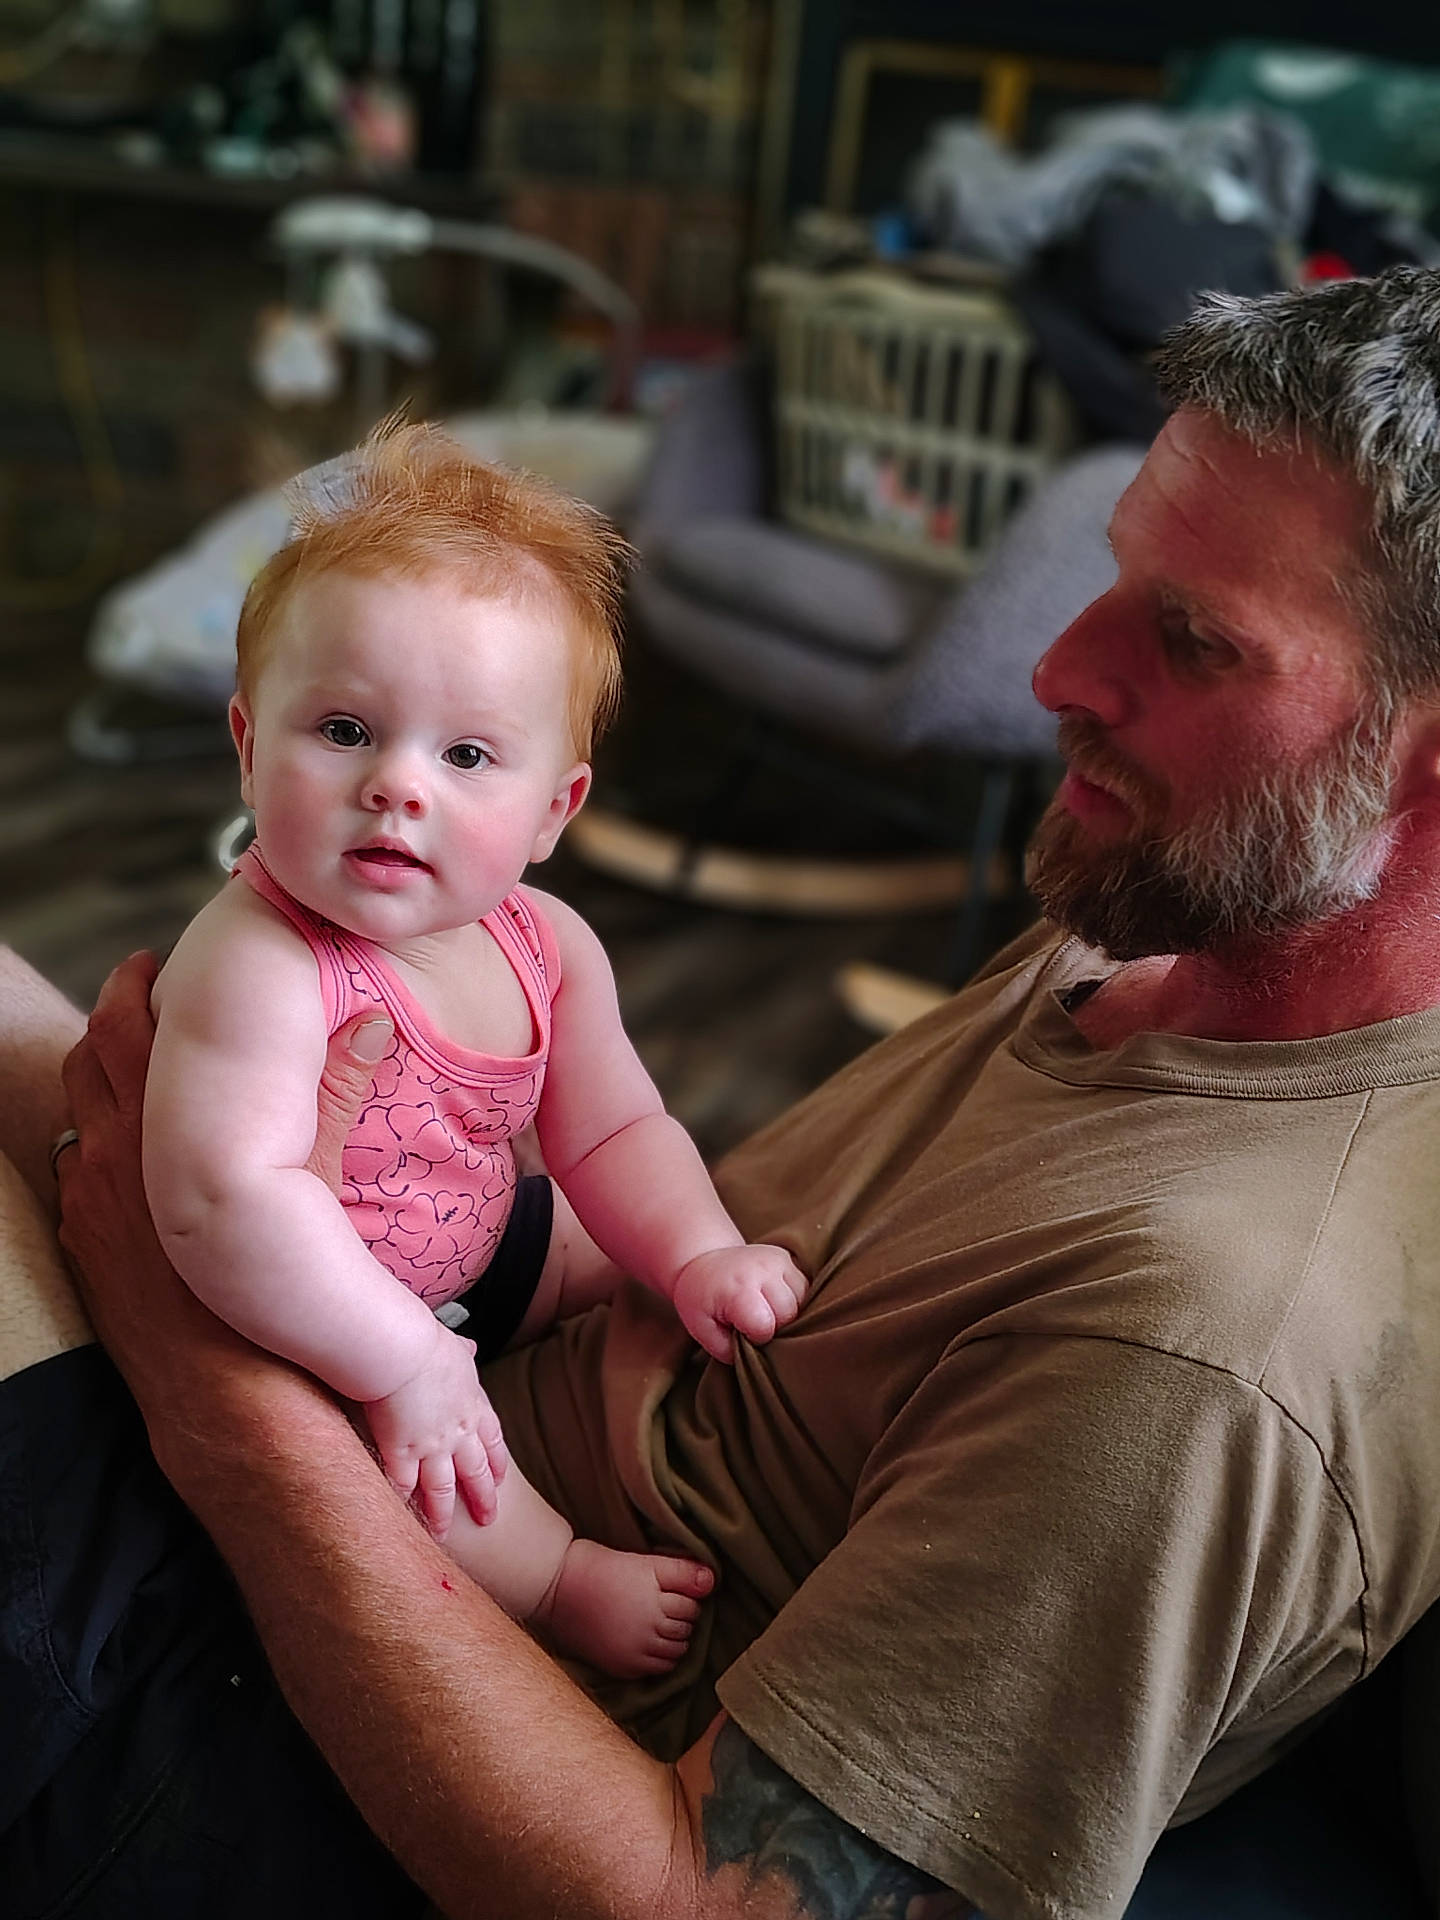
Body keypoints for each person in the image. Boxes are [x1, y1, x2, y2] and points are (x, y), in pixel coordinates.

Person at [6, 263, 1440, 1920]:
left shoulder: (1209, 1359)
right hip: (392, 1412)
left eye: (1191, 643)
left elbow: (700, 1900)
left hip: (316, 1713)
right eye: (1120, 579)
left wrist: (209, 1370)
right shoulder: (1183, 923)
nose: (1052, 668)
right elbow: (619, 1183)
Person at [141, 420, 806, 1678]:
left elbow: (613, 1133)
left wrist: (694, 1250)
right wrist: (403, 1361)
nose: (399, 786)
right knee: (412, 1470)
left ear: (554, 810)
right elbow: (224, 1203)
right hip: (321, 1317)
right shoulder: (263, 964)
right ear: (244, 745)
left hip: (489, 1244)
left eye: (465, 755)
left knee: (660, 1250)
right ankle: (557, 1579)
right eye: (342, 730)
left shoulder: (543, 942)